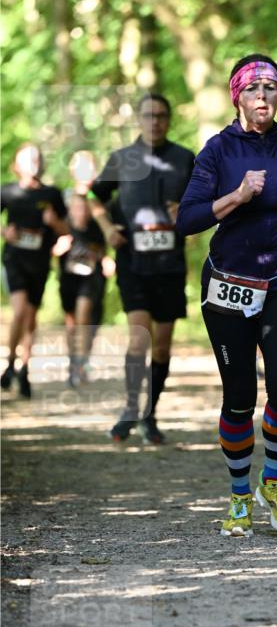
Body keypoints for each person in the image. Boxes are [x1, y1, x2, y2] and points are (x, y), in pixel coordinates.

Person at [177, 53, 277, 538]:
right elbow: (187, 220)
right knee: (239, 396)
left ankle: (271, 482)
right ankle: (237, 497)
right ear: (238, 96)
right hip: (229, 282)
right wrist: (237, 197)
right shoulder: (218, 151)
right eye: (254, 88)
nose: (263, 96)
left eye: (272, 87)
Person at [90, 93, 195, 444]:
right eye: (149, 115)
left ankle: (150, 414)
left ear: (169, 119)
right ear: (139, 119)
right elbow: (93, 199)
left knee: (162, 346)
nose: (156, 121)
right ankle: (130, 408)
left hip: (170, 265)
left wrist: (187, 211)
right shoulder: (121, 159)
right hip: (133, 263)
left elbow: (205, 203)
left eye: (162, 115)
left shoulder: (184, 159)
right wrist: (107, 229)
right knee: (139, 339)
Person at [1, 144, 68, 398]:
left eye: (37, 158)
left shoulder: (52, 194)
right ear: (16, 166)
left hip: (39, 263)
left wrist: (55, 223)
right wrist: (4, 232)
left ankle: (24, 368)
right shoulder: (6, 192)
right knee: (19, 312)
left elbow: (66, 231)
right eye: (27, 159)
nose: (33, 163)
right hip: (14, 259)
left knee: (30, 318)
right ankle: (9, 362)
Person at [56, 151, 108, 387]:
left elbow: (111, 229)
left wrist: (107, 257)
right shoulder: (64, 198)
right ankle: (74, 364)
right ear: (72, 170)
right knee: (72, 321)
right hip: (68, 268)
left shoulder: (103, 197)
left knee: (86, 316)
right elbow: (54, 229)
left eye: (90, 167)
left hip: (94, 267)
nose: (86, 171)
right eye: (81, 167)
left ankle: (82, 362)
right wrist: (57, 244)